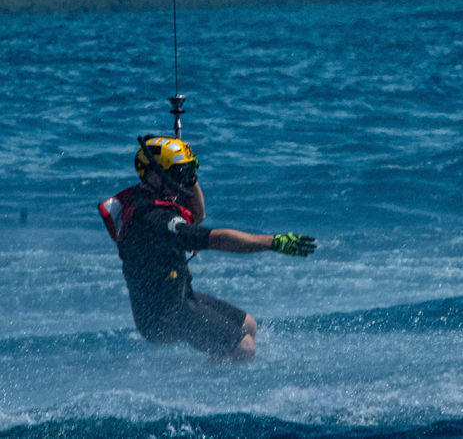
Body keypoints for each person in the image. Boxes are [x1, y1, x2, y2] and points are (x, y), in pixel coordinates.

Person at [99, 135, 316, 361]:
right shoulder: (153, 219)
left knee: (249, 326)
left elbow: (198, 215)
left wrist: (188, 174)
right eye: (178, 174)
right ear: (154, 174)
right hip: (163, 316)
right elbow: (216, 239)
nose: (183, 183)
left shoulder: (149, 193)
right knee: (244, 348)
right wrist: (272, 243)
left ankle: (214, 370)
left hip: (181, 295)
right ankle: (205, 390)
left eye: (186, 175)